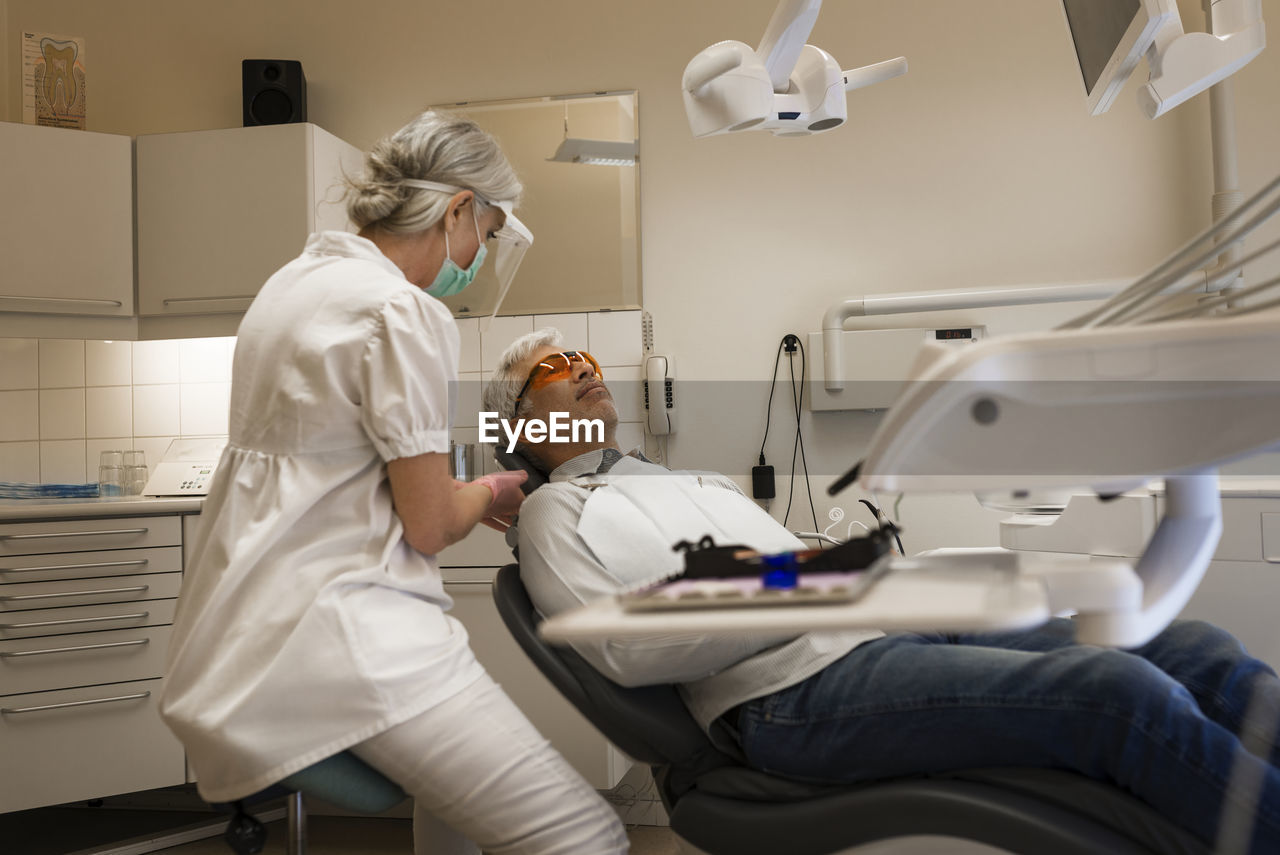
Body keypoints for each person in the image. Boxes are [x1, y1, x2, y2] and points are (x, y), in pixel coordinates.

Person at [482, 326, 1280, 853]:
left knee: (1191, 647)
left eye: (585, 360)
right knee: (1116, 694)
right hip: (790, 693)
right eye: (555, 370)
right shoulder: (557, 512)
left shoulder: (689, 479)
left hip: (880, 636)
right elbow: (620, 645)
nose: (584, 372)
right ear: (520, 423)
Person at [160, 116, 627, 855]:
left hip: (244, 639)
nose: (478, 256)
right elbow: (431, 524)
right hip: (352, 635)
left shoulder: (293, 286)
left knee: (457, 810)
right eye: (489, 230)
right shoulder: (403, 311)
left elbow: (341, 466)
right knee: (582, 836)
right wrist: (495, 493)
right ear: (457, 210)